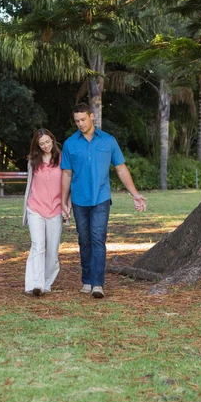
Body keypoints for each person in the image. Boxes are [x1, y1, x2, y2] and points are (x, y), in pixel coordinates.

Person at [61, 103, 146, 299]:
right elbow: (66, 174)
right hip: (79, 200)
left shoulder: (108, 141)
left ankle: (97, 284)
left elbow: (121, 169)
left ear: (92, 117)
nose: (80, 124)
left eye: (83, 119)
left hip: (101, 198)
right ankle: (87, 280)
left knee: (98, 238)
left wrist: (134, 194)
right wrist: (63, 201)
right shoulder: (70, 144)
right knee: (84, 240)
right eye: (77, 121)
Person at [23, 128, 69, 296]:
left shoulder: (62, 158)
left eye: (47, 142)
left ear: (53, 140)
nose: (45, 146)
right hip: (35, 208)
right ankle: (35, 284)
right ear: (37, 145)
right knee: (37, 246)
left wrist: (66, 205)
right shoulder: (33, 160)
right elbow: (30, 184)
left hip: (55, 209)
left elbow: (68, 182)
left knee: (52, 250)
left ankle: (46, 282)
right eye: (41, 144)